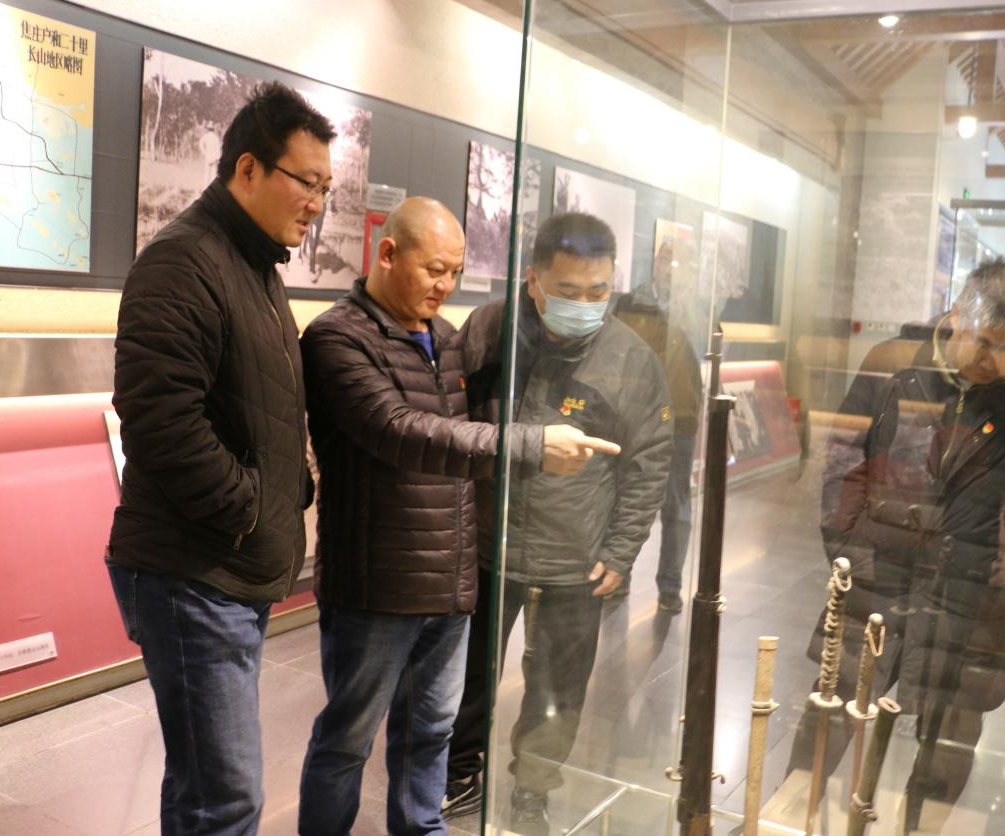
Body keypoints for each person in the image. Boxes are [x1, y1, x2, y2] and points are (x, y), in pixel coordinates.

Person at [295, 198, 618, 835]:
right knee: (349, 736)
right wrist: (532, 445)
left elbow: (464, 442)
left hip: (450, 580)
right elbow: (403, 431)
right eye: (434, 269)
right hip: (377, 583)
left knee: (433, 730)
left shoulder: (446, 338)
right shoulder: (337, 338)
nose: (445, 285)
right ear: (389, 254)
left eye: (455, 272)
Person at [105, 82, 334, 834]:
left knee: (202, 785)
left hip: (225, 563)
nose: (316, 203)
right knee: (227, 797)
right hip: (193, 570)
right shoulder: (183, 262)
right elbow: (160, 422)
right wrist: (249, 509)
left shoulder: (256, 266)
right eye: (306, 182)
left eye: (326, 188)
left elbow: (263, 410)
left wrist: (291, 488)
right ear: (248, 169)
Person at [782, 261, 1005, 834]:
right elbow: (842, 458)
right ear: (956, 315)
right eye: (983, 341)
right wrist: (850, 553)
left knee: (949, 738)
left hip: (972, 592)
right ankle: (793, 816)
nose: (994, 361)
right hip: (876, 574)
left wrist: (1003, 588)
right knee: (832, 708)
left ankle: (919, 829)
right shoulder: (895, 361)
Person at [443, 212, 674, 833]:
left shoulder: (631, 359)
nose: (585, 305)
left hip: (575, 557)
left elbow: (650, 462)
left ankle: (533, 789)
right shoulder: (489, 330)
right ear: (533, 280)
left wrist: (621, 550)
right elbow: (447, 425)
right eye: (568, 291)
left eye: (599, 292)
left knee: (557, 690)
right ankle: (458, 776)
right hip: (484, 548)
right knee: (464, 679)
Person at [611, 237, 704, 612]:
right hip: (633, 415)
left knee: (676, 506)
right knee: (623, 496)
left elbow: (710, 353)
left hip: (680, 417)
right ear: (655, 263)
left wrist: (687, 311)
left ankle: (670, 586)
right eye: (666, 260)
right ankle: (618, 575)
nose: (670, 270)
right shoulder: (630, 303)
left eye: (681, 264)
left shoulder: (698, 311)